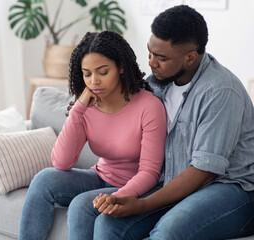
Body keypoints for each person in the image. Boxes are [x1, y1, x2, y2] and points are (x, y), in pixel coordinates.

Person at [90, 5, 254, 240]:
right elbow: (119, 110)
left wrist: (142, 204)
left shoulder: (221, 91)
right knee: (108, 222)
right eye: (150, 53)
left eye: (161, 57)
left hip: (232, 189)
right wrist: (89, 104)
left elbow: (204, 173)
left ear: (190, 57)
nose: (151, 63)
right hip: (172, 181)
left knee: (169, 231)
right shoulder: (156, 83)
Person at [19, 31, 167, 239]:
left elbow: (150, 172)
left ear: (121, 67)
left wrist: (116, 198)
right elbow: (61, 163)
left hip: (140, 187)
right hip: (100, 177)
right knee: (44, 179)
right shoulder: (87, 106)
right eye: (87, 74)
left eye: (102, 72)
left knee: (81, 205)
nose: (94, 81)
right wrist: (78, 109)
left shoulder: (149, 107)